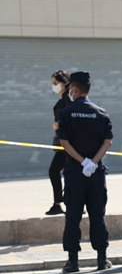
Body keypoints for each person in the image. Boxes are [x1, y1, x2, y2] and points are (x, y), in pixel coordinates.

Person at [57, 71, 113, 273]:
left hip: (75, 171)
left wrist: (82, 162)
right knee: (97, 214)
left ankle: (73, 261)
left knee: (73, 215)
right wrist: (93, 162)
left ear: (74, 88)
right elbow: (108, 141)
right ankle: (102, 259)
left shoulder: (66, 113)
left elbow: (64, 142)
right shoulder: (101, 112)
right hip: (96, 173)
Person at [46, 70, 72, 215]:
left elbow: (72, 120)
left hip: (67, 144)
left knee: (54, 171)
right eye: (53, 83)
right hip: (62, 143)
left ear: (64, 82)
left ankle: (60, 203)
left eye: (56, 83)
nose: (54, 86)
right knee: (67, 172)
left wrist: (59, 125)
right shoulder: (62, 100)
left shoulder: (68, 99)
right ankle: (69, 203)